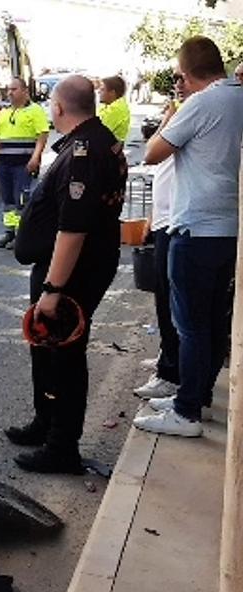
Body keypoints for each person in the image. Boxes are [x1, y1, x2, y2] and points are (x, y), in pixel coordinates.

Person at [5, 76, 126, 474]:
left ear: (58, 108)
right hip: (66, 268)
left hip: (72, 273)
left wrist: (53, 290)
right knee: (45, 348)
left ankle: (62, 447)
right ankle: (46, 421)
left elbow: (73, 230)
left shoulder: (84, 152)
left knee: (65, 357)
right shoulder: (90, 139)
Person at [135, 37, 243, 438]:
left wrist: (171, 118)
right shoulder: (238, 97)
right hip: (228, 228)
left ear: (183, 73)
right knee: (213, 322)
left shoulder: (201, 104)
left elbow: (152, 152)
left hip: (195, 227)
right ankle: (195, 397)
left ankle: (186, 412)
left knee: (192, 325)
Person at [133, 72, 189, 402]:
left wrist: (169, 117)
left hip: (177, 220)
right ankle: (168, 359)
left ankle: (171, 373)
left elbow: (150, 153)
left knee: (171, 303)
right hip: (165, 217)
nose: (178, 86)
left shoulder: (189, 113)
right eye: (175, 81)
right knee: (165, 300)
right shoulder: (181, 111)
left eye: (184, 79)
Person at [0, 77, 49, 249]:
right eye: (8, 89)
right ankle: (9, 232)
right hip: (4, 163)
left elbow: (42, 135)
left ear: (25, 91)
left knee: (21, 199)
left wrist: (35, 157)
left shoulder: (35, 111)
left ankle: (22, 235)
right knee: (7, 199)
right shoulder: (4, 112)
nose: (10, 92)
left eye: (14, 89)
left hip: (23, 163)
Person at [97, 75, 130, 144]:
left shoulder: (117, 109)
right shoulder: (109, 105)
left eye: (102, 89)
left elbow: (97, 131)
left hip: (107, 151)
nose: (98, 92)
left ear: (112, 93)